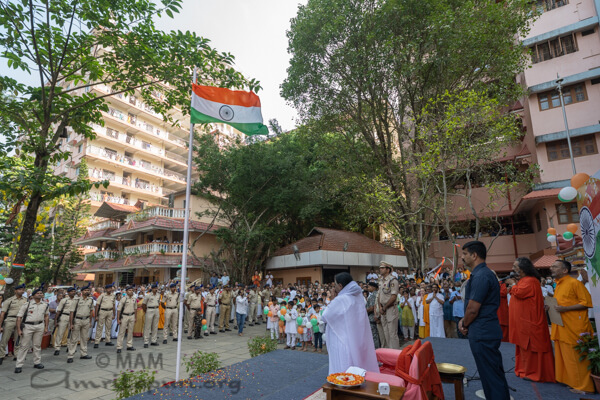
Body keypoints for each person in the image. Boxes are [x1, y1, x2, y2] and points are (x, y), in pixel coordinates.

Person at [458, 241, 509, 400]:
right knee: (490, 375)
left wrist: (464, 323)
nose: (462, 257)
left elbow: (473, 309)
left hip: (483, 332)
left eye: (465, 254)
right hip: (484, 330)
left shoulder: (481, 275)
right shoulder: (481, 274)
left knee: (491, 376)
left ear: (474, 255)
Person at [505, 257, 555, 382]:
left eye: (515, 266)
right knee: (524, 348)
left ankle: (533, 372)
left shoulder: (531, 281)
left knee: (530, 348)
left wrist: (512, 284)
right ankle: (525, 370)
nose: (513, 269)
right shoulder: (524, 280)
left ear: (522, 268)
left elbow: (519, 292)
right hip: (523, 322)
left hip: (529, 322)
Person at [549, 260, 594, 394]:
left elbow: (586, 303)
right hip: (562, 326)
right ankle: (572, 382)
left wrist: (566, 309)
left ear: (565, 270)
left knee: (577, 357)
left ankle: (585, 387)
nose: (551, 268)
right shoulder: (558, 285)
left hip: (574, 326)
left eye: (555, 266)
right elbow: (560, 303)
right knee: (567, 357)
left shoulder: (574, 283)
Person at [323, 272, 378, 374]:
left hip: (340, 338)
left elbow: (325, 316)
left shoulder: (341, 299)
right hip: (354, 337)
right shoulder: (358, 297)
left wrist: (333, 300)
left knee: (342, 365)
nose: (334, 287)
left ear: (340, 285)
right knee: (352, 363)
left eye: (335, 284)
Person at [14, 285, 49, 373]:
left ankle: (37, 362)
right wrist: (19, 330)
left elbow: (46, 316)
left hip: (40, 325)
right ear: (33, 296)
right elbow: (19, 317)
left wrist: (46, 327)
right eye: (37, 293)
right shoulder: (27, 304)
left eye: (41, 293)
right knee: (24, 346)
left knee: (37, 345)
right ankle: (19, 365)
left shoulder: (45, 305)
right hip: (28, 326)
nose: (40, 294)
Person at [0, 283, 27, 365]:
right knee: (5, 338)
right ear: (15, 291)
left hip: (21, 320)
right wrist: (0, 325)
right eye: (19, 289)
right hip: (10, 319)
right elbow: (3, 313)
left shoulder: (25, 300)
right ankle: (1, 355)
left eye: (22, 289)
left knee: (18, 338)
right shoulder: (9, 300)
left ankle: (17, 355)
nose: (21, 291)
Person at [67, 282, 94, 363]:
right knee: (74, 338)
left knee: (84, 338)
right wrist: (71, 323)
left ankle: (83, 354)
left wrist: (89, 322)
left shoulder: (91, 300)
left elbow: (91, 312)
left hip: (86, 320)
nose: (87, 291)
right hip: (77, 320)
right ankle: (70, 355)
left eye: (88, 290)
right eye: (85, 290)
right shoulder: (77, 300)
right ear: (81, 292)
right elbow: (72, 312)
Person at [377, 261, 400, 349]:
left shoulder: (392, 280)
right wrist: (380, 307)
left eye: (382, 268)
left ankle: (395, 354)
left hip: (390, 308)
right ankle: (389, 354)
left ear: (387, 270)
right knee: (386, 333)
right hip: (383, 309)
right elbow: (379, 295)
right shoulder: (381, 280)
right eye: (380, 268)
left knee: (392, 334)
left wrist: (384, 307)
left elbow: (394, 296)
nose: (380, 269)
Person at [53, 286, 77, 356]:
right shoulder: (64, 300)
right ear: (68, 293)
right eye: (72, 291)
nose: (73, 292)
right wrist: (55, 320)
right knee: (60, 333)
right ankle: (57, 348)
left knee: (71, 333)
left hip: (73, 317)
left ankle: (70, 347)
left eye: (74, 291)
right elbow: (58, 311)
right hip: (64, 316)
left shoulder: (77, 300)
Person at [94, 283, 115, 348]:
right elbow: (97, 305)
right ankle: (97, 342)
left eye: (110, 288)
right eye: (108, 288)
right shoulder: (102, 295)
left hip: (110, 311)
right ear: (106, 289)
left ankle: (108, 341)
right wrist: (96, 315)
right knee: (100, 327)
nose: (109, 290)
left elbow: (114, 305)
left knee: (108, 327)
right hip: (102, 311)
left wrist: (114, 314)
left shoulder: (113, 296)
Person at [116, 286, 137, 353]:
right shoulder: (123, 299)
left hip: (132, 316)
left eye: (132, 290)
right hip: (124, 316)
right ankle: (119, 346)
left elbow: (135, 309)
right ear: (126, 291)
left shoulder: (134, 298)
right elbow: (119, 310)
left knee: (130, 331)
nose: (131, 291)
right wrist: (118, 319)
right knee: (122, 332)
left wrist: (135, 317)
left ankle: (129, 345)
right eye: (129, 290)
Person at [142, 283, 161, 347]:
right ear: (152, 289)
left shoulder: (158, 295)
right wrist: (146, 311)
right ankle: (146, 341)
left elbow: (159, 302)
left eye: (157, 288)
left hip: (156, 309)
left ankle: (154, 340)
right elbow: (144, 304)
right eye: (155, 288)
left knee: (155, 326)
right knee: (147, 326)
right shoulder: (148, 295)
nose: (156, 289)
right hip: (149, 310)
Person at [365, 282, 381, 349]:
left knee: (374, 335)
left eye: (369, 287)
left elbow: (371, 308)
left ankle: (376, 350)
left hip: (372, 317)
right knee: (378, 335)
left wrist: (364, 311)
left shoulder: (373, 296)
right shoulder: (377, 294)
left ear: (373, 287)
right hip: (377, 316)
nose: (368, 288)